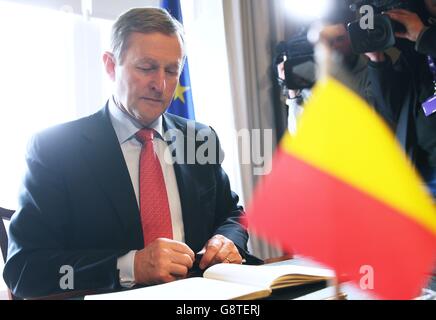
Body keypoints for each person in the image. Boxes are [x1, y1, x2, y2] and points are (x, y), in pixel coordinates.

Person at [3, 8, 251, 299]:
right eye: (146, 68)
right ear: (110, 65)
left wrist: (227, 240)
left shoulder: (199, 138)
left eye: (172, 71)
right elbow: (25, 270)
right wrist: (130, 266)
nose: (161, 85)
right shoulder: (55, 149)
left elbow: (233, 214)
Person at [366, 0, 436, 196]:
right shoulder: (415, 47)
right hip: (426, 172)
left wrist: (424, 36)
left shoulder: (423, 37)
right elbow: (395, 109)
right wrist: (376, 60)